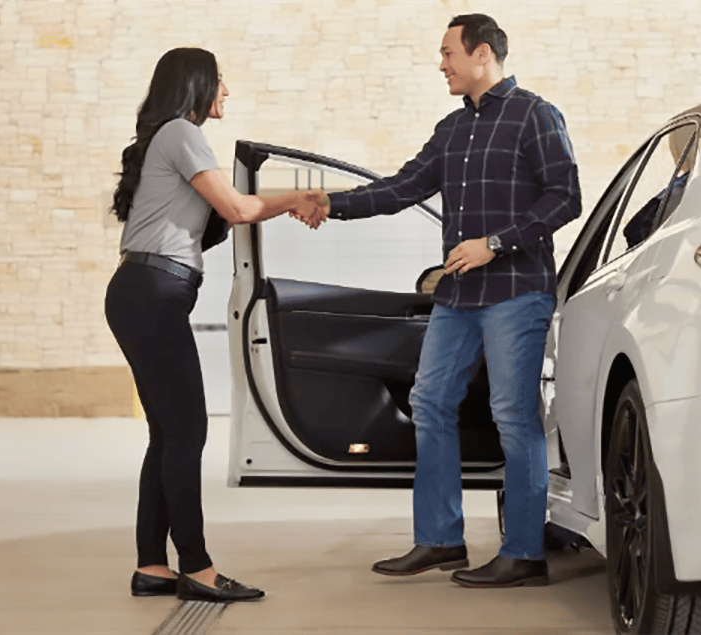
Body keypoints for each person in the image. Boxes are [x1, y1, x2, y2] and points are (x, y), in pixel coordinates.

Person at [302, 14, 581, 588]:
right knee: (429, 403)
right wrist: (332, 203)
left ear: (482, 54)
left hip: (516, 291)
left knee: (513, 416)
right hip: (457, 296)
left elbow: (565, 196)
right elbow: (402, 187)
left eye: (448, 52)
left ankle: (524, 553)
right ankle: (439, 540)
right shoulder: (452, 129)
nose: (441, 64)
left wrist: (494, 243)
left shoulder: (535, 114)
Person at [106, 47, 323, 602]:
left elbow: (216, 215)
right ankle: (197, 569)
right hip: (153, 292)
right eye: (220, 81)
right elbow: (238, 209)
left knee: (168, 433)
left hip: (142, 291)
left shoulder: (168, 137)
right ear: (195, 85)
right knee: (187, 432)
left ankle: (153, 566)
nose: (226, 91)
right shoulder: (182, 132)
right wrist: (298, 199)